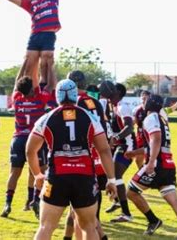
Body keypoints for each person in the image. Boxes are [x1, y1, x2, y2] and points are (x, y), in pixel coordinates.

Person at [26, 79, 117, 240]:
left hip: (56, 177)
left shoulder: (47, 117)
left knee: (45, 227)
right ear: (75, 95)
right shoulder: (90, 117)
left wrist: (38, 175)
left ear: (57, 97)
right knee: (89, 227)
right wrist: (111, 179)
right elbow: (104, 150)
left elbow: (30, 150)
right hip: (85, 178)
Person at [0, 0, 69, 91]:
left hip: (48, 34)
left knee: (47, 59)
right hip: (35, 35)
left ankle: (48, 91)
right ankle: (24, 91)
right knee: (29, 61)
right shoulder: (32, 3)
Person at [125, 94, 177, 238]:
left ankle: (153, 220)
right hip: (168, 163)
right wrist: (134, 153)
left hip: (157, 164)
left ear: (148, 105)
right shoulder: (162, 119)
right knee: (173, 198)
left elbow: (156, 140)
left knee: (130, 192)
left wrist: (150, 163)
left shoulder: (151, 118)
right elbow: (153, 145)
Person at [0, 62, 55, 219]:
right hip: (35, 140)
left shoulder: (17, 99)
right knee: (39, 171)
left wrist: (26, 62)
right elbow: (49, 85)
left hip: (18, 139)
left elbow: (18, 81)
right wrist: (47, 66)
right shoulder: (40, 99)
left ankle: (8, 203)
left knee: (14, 173)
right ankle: (35, 200)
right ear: (32, 89)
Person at [64, 71, 109, 240]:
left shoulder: (73, 104)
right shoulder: (95, 103)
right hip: (100, 161)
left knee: (87, 218)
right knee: (78, 210)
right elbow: (104, 132)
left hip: (84, 162)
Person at [106, 83, 135, 223]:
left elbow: (129, 127)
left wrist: (116, 138)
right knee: (111, 174)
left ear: (118, 92)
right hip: (120, 145)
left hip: (127, 145)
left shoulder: (123, 107)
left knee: (116, 175)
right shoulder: (115, 107)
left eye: (112, 90)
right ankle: (118, 201)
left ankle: (126, 213)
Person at [132, 90, 151, 170]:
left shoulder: (153, 109)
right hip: (140, 137)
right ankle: (143, 172)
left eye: (145, 98)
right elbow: (133, 123)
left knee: (150, 158)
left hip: (151, 137)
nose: (144, 100)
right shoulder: (137, 110)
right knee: (138, 160)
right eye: (142, 98)